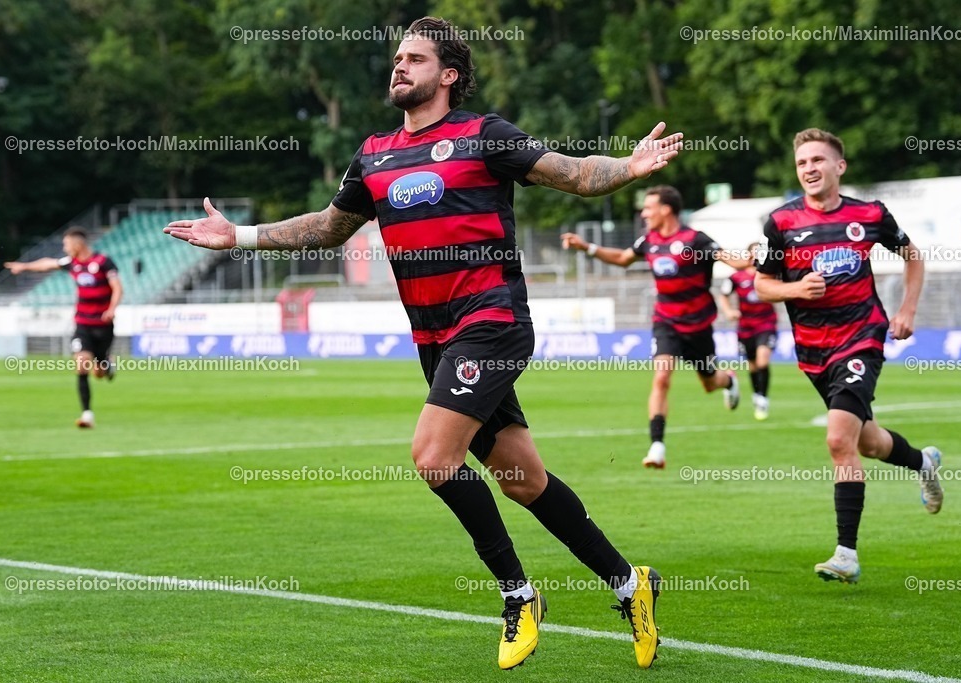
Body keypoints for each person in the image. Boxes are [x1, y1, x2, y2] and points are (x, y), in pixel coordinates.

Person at [165, 17, 679, 670]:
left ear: (449, 74)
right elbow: (328, 227)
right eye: (397, 58)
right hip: (436, 342)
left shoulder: (484, 136)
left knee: (434, 456)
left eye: (415, 58)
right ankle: (632, 586)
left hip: (491, 323)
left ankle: (519, 594)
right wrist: (238, 236)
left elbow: (574, 173)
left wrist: (628, 168)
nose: (399, 67)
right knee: (524, 480)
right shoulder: (375, 153)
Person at [754, 128, 944, 584]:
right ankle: (923, 462)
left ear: (840, 166)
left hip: (861, 337)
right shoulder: (781, 223)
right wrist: (795, 289)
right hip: (812, 350)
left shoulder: (870, 215)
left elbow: (912, 255)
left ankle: (846, 553)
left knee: (839, 440)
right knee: (868, 443)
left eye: (818, 160)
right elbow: (762, 284)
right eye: (802, 163)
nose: (810, 169)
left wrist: (907, 310)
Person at [561, 186, 749, 470]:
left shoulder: (694, 240)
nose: (644, 213)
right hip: (666, 321)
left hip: (698, 325)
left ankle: (729, 380)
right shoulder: (648, 241)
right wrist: (586, 247)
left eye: (649, 208)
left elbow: (729, 258)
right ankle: (657, 446)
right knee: (661, 378)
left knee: (710, 383)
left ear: (666, 209)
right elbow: (623, 259)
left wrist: (752, 260)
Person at [5, 227, 121, 428]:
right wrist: (24, 267)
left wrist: (112, 308)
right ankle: (87, 414)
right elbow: (47, 264)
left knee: (99, 372)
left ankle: (107, 367)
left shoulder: (103, 262)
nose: (65, 249)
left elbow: (118, 288)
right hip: (83, 323)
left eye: (66, 244)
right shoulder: (72, 263)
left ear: (77, 244)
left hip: (103, 325)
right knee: (82, 363)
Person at [717, 241, 778, 420]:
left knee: (762, 360)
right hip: (745, 326)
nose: (756, 258)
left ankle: (763, 398)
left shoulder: (770, 275)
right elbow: (723, 295)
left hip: (766, 324)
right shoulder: (737, 278)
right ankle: (756, 395)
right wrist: (728, 311)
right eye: (753, 254)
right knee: (752, 365)